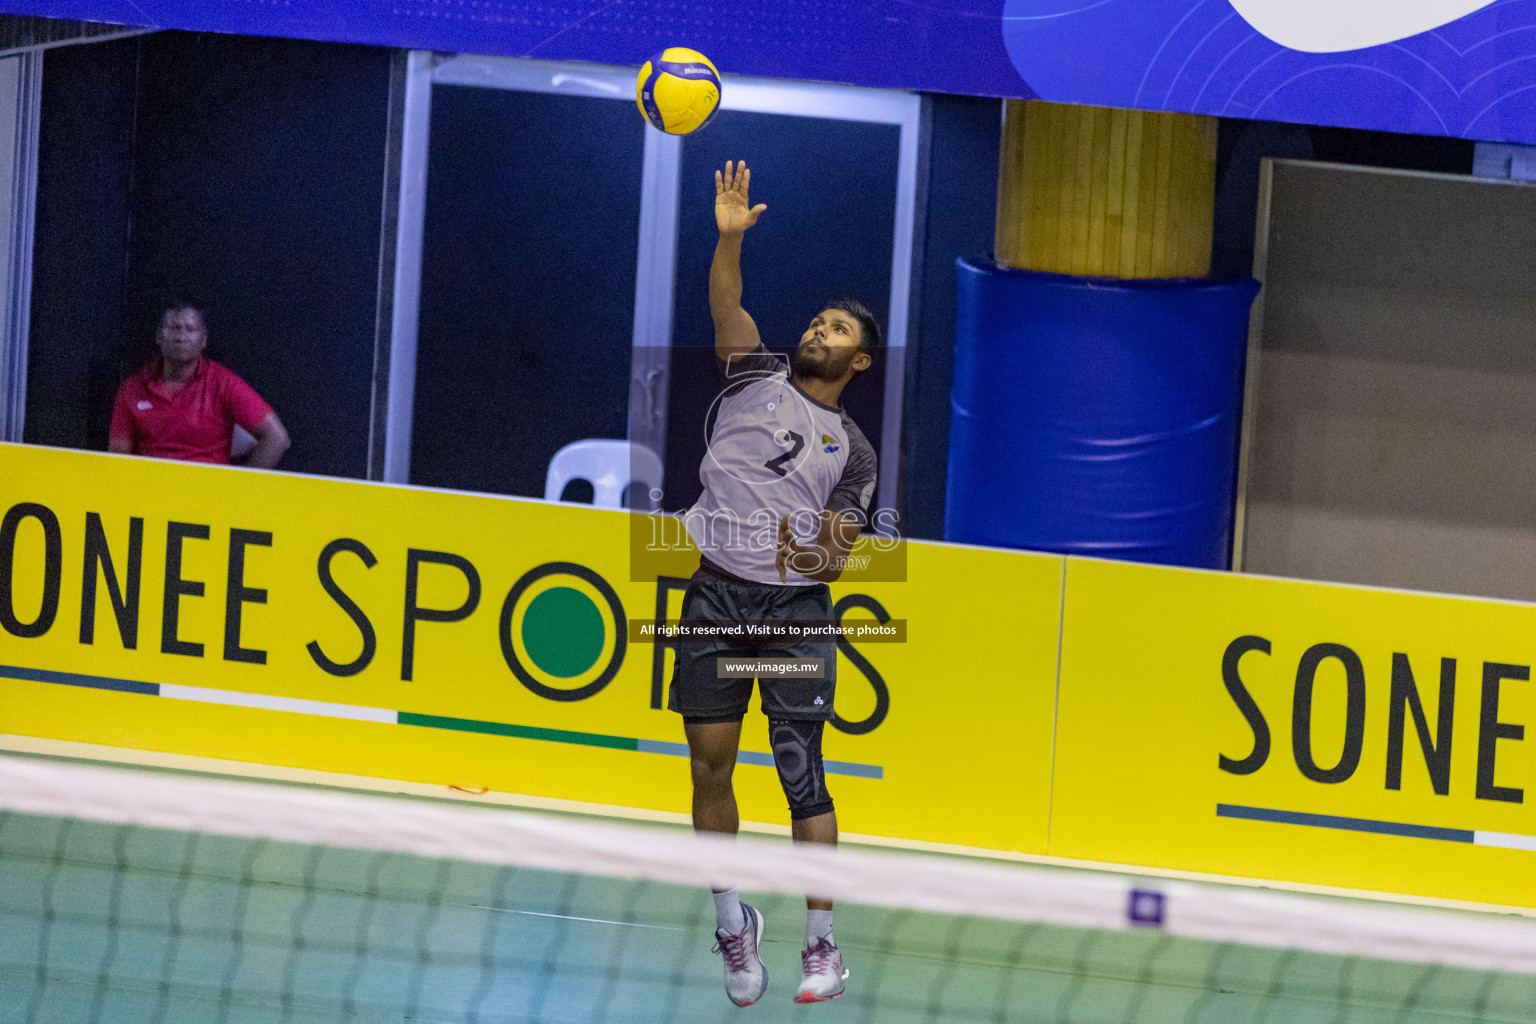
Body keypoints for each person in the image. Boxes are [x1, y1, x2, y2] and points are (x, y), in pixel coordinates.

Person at [671, 160, 879, 1007]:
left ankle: (823, 946)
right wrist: (728, 240)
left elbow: (841, 549)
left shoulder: (854, 451)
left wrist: (822, 550)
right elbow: (727, 306)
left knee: (800, 768)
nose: (818, 331)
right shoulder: (754, 373)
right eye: (818, 321)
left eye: (836, 330)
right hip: (714, 598)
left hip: (793, 615)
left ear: (859, 360)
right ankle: (734, 925)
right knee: (709, 765)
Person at [109, 298, 290, 468]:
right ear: (158, 337)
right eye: (174, 328)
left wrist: (239, 487)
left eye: (190, 329)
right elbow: (118, 458)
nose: (181, 336)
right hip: (149, 489)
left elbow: (277, 438)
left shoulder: (223, 383)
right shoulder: (131, 388)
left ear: (203, 340)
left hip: (208, 493)